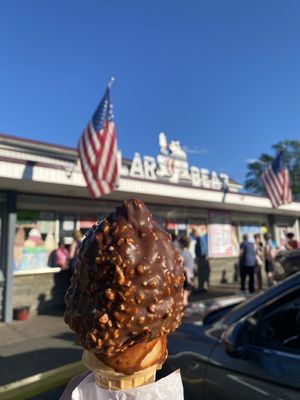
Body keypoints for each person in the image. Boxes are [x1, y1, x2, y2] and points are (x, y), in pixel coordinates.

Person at [178, 236, 194, 306]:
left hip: (187, 276)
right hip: (190, 275)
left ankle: (185, 314)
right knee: (185, 297)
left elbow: (180, 265)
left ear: (181, 244)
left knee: (184, 298)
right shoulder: (189, 253)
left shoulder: (183, 253)